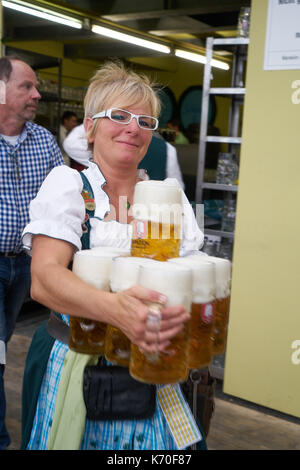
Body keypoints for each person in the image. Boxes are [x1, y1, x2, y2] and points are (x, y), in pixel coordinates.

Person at [21, 61, 204, 450]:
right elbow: (44, 278)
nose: (133, 128)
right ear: (89, 127)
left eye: (145, 121)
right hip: (77, 360)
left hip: (155, 363)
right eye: (119, 116)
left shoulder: (169, 198)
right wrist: (116, 310)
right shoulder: (69, 186)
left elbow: (190, 278)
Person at [0, 55, 65, 449]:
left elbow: (68, 198)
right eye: (26, 86)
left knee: (2, 348)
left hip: (24, 268)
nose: (36, 94)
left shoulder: (43, 141)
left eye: (36, 87)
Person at [63, 122, 185, 189]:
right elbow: (178, 191)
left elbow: (70, 143)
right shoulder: (167, 149)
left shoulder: (106, 147)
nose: (132, 128)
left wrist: (95, 118)